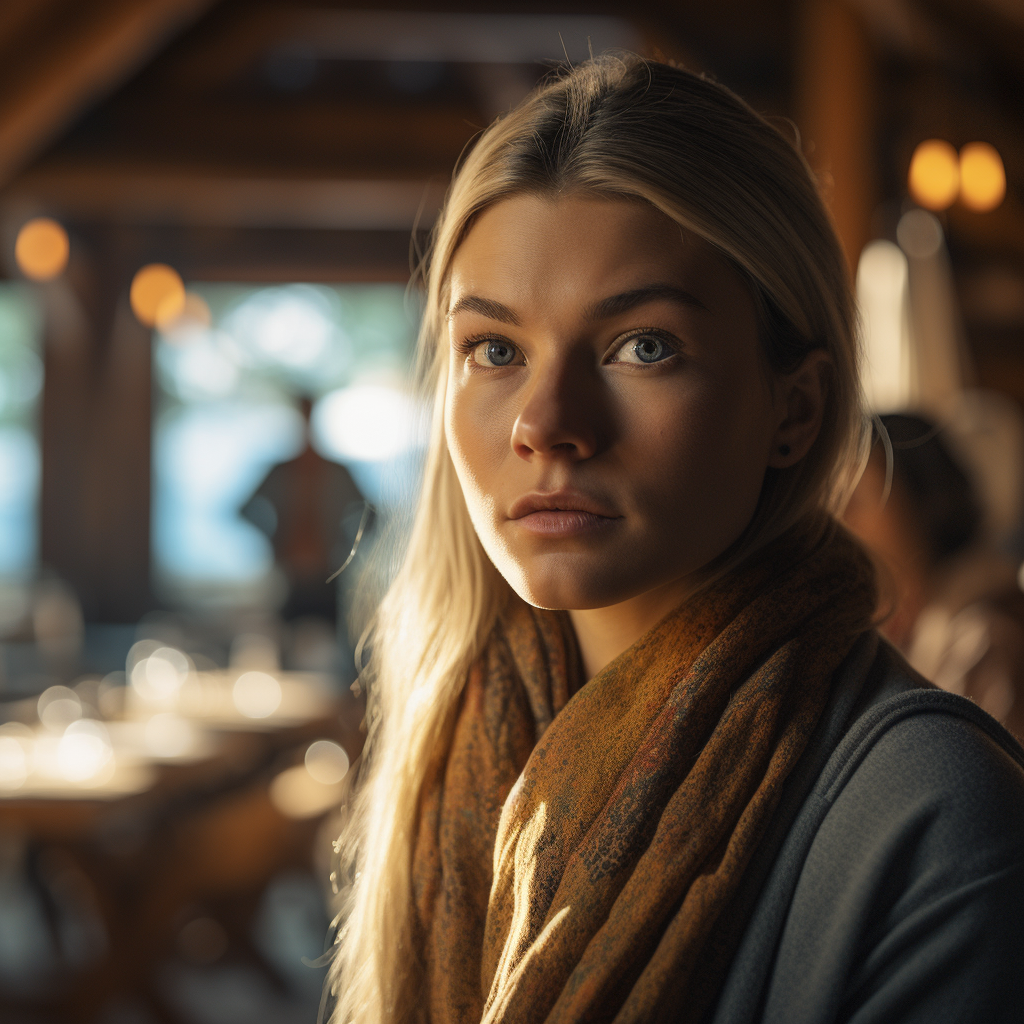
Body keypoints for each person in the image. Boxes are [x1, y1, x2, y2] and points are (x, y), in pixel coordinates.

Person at [326, 57, 1024, 1024]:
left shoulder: (936, 818)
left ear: (796, 406)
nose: (548, 422)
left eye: (642, 344)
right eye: (496, 350)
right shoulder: (454, 752)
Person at [844, 412, 1024, 739]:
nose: (839, 521)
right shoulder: (894, 629)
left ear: (922, 498)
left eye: (854, 500)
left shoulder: (982, 638)